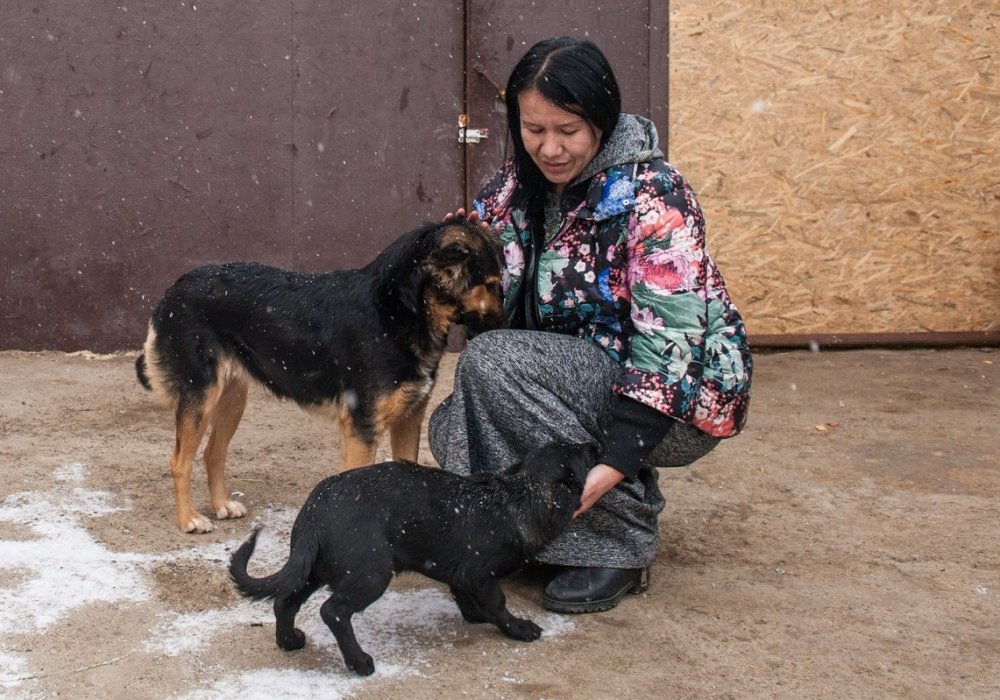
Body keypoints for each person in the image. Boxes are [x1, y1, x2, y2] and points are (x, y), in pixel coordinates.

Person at [429, 36, 752, 614]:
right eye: (534, 129)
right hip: (568, 374)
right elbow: (492, 313)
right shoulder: (511, 189)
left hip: (675, 396)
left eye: (568, 131)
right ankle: (541, 535)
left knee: (492, 366)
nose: (549, 148)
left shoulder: (654, 197)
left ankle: (618, 541)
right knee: (454, 429)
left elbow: (670, 342)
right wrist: (463, 259)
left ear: (600, 122)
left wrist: (621, 457)